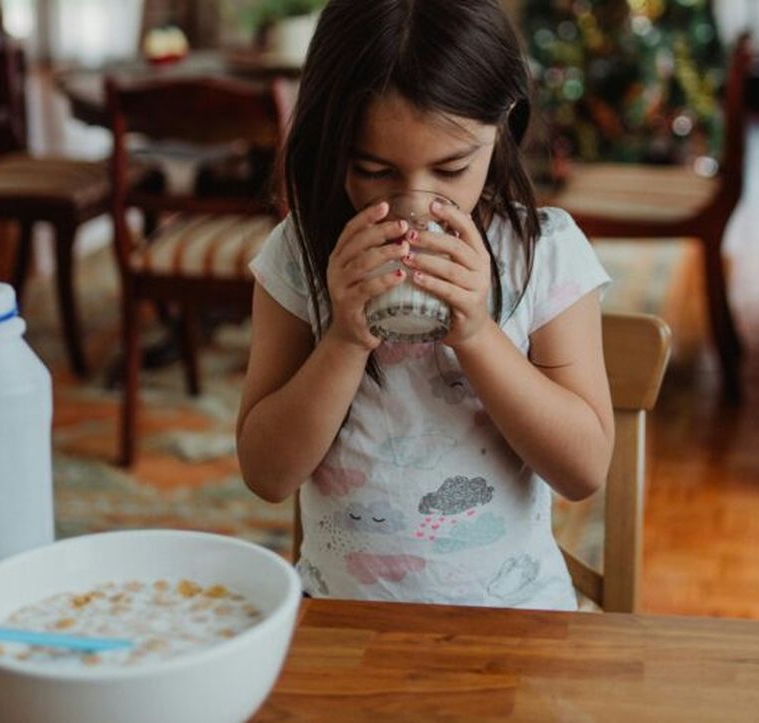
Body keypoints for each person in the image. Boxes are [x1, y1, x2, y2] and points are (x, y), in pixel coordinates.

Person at [237, 0, 614, 610]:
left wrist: (479, 334)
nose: (415, 204)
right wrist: (344, 340)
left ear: (504, 124)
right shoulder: (300, 255)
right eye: (375, 170)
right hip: (343, 626)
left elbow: (583, 469)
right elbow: (266, 474)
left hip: (514, 626)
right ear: (333, 143)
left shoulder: (543, 254)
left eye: (451, 168)